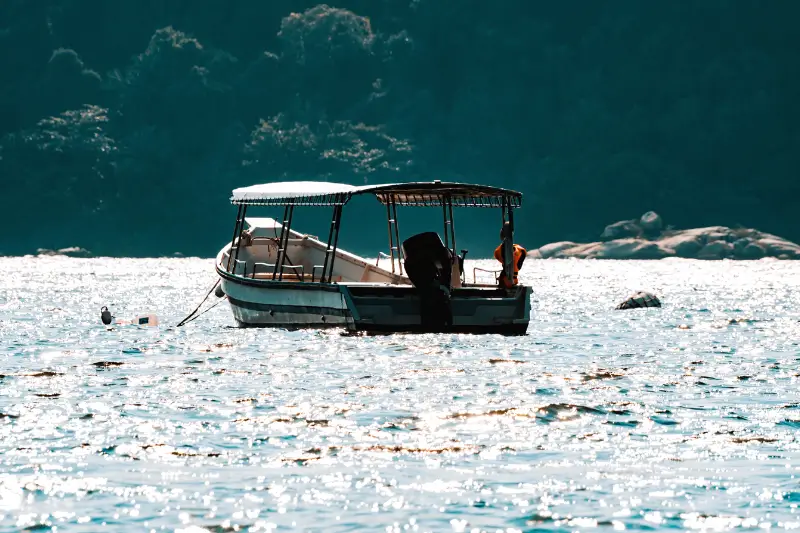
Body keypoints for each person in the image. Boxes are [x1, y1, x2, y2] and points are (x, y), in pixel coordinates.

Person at [494, 222, 527, 288]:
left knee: (507, 270)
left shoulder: (501, 249)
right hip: (513, 280)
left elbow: (504, 261)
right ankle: (508, 280)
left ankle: (506, 281)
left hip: (506, 282)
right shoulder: (520, 250)